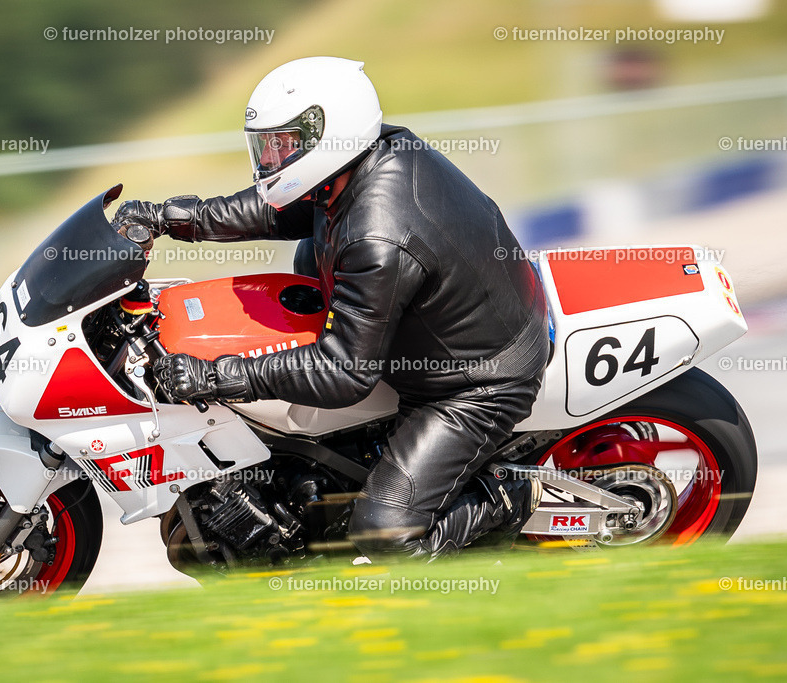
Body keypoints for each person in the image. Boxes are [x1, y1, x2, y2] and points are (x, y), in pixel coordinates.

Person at [114, 56, 548, 558]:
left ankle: (513, 498)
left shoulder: (377, 235)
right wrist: (171, 217)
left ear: (331, 134)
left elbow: (345, 372)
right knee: (306, 259)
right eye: (268, 144)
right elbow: (276, 208)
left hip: (473, 381)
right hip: (435, 328)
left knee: (384, 536)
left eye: (285, 144)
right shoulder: (364, 160)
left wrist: (215, 377)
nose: (272, 158)